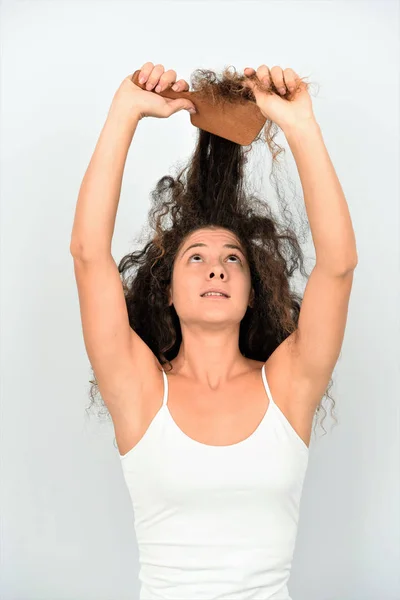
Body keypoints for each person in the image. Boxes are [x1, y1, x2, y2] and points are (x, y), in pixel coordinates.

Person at [70, 62, 358, 599]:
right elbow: (89, 257)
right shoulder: (138, 390)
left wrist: (300, 128)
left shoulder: (289, 386)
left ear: (254, 292)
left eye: (233, 259)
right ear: (168, 291)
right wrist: (124, 111)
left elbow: (338, 266)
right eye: (195, 258)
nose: (216, 268)